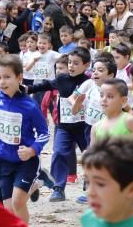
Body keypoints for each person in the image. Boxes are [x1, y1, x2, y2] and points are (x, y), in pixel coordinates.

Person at [0, 54, 50, 227]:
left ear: (19, 77)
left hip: (26, 162)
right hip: (3, 161)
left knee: (19, 202)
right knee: (9, 208)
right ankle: (37, 184)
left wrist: (32, 150)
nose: (2, 81)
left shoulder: (29, 106)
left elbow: (45, 133)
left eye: (7, 77)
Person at [27, 47, 93, 201]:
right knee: (58, 153)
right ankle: (58, 188)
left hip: (84, 127)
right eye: (70, 62)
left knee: (90, 156)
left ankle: (90, 186)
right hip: (63, 127)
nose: (71, 66)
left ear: (86, 65)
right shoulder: (62, 79)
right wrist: (27, 88)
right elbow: (44, 85)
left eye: (76, 63)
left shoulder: (89, 82)